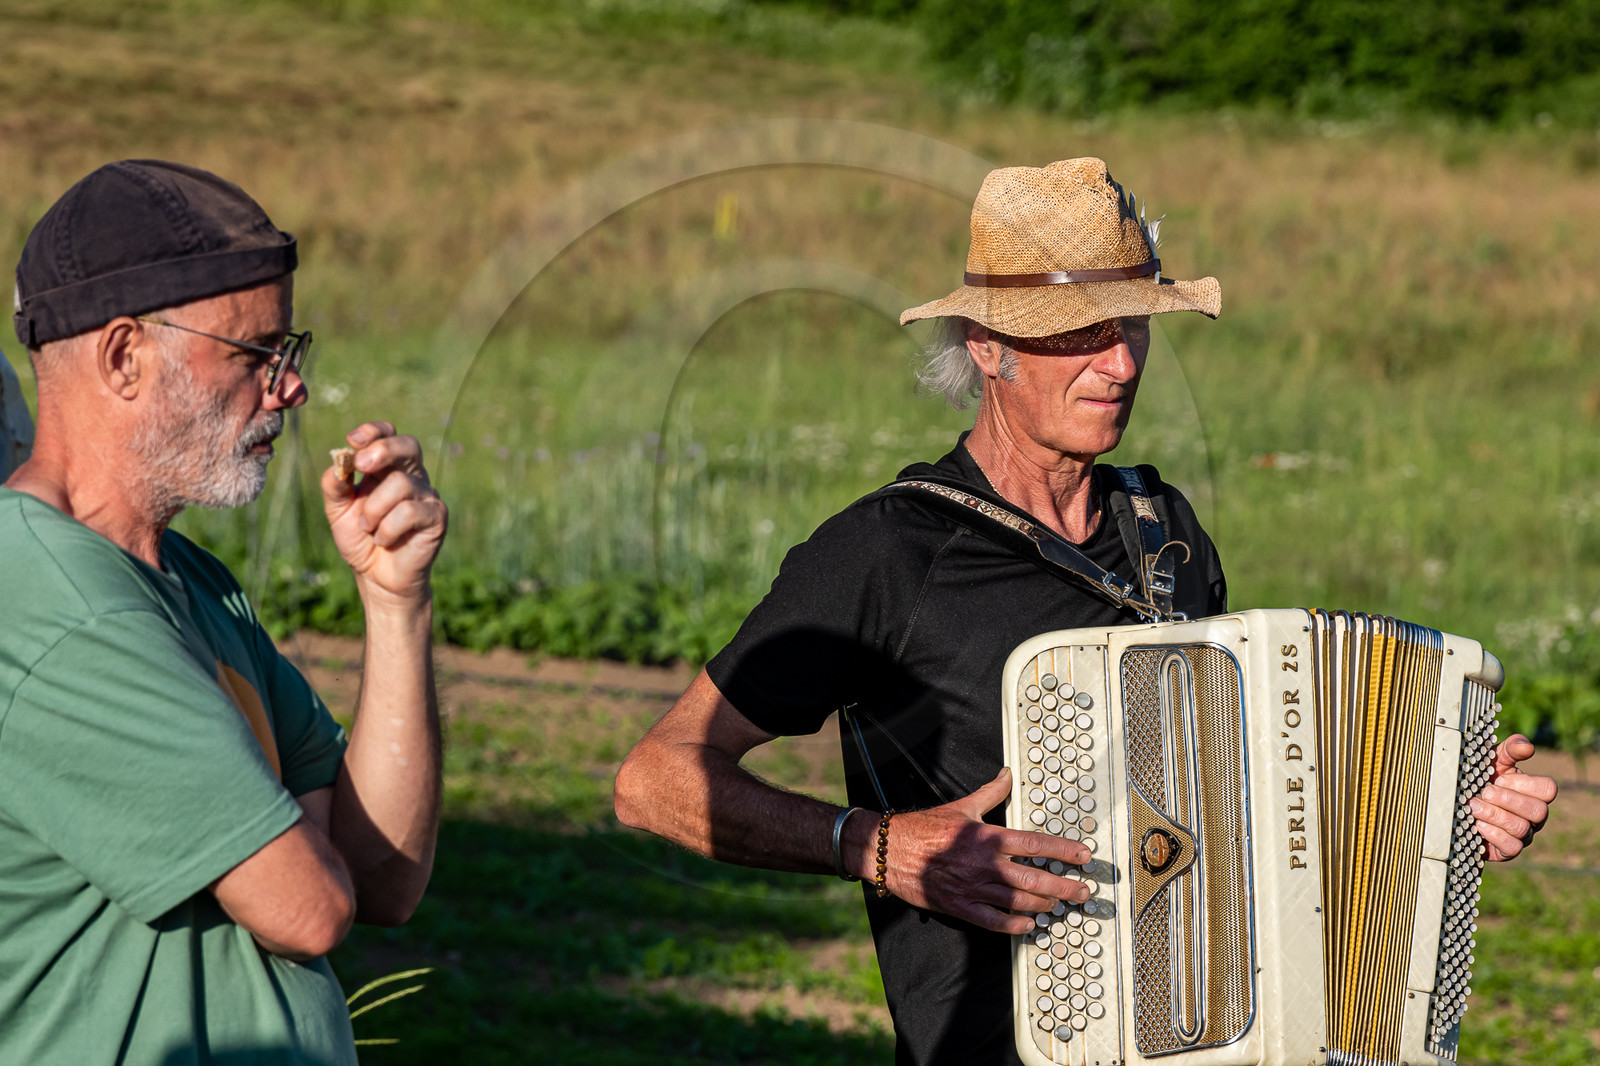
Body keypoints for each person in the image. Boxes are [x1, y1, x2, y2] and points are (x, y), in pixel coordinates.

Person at [613, 158, 1558, 1065]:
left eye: (1134, 326)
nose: (1118, 362)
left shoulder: (1164, 528)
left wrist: (1434, 812)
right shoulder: (887, 552)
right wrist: (877, 847)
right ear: (986, 346)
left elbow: (1251, 809)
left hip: (1204, 1038)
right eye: (1077, 333)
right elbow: (652, 781)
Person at [0, 160, 448, 1065]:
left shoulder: (189, 580)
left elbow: (383, 879)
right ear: (124, 357)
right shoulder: (59, 610)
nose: (291, 389)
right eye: (256, 355)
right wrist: (297, 841)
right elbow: (310, 908)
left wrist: (395, 600)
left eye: (291, 352)